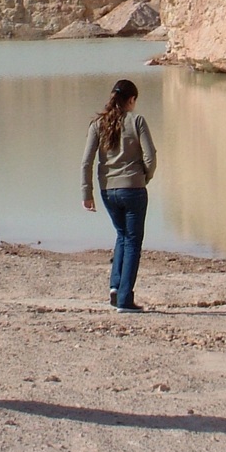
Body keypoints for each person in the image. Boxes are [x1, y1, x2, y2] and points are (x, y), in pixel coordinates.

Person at [80, 78, 157, 312]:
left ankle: (115, 288)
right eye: (134, 100)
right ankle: (125, 300)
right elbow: (150, 157)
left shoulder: (97, 124)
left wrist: (87, 192)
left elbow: (86, 162)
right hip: (134, 189)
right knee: (133, 241)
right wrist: (145, 177)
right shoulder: (137, 121)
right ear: (131, 100)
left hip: (108, 191)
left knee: (122, 235)